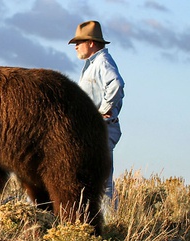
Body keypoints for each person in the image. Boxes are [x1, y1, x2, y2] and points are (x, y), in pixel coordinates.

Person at [68, 20, 125, 206]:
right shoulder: (93, 64)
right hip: (94, 130)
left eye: (79, 42)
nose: (76, 46)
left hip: (102, 129)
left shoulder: (102, 62)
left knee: (103, 183)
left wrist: (104, 109)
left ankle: (111, 225)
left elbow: (116, 83)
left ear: (91, 43)